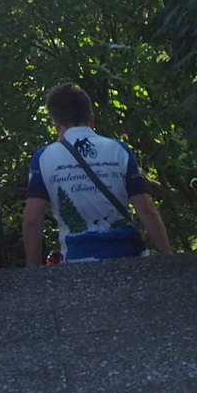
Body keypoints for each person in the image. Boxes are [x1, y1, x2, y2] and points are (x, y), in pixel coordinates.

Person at [22, 85, 172, 264]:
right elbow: (146, 209)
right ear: (92, 120)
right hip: (130, 256)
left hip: (79, 260)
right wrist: (168, 258)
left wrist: (32, 271)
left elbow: (32, 220)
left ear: (55, 124)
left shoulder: (43, 158)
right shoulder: (119, 150)